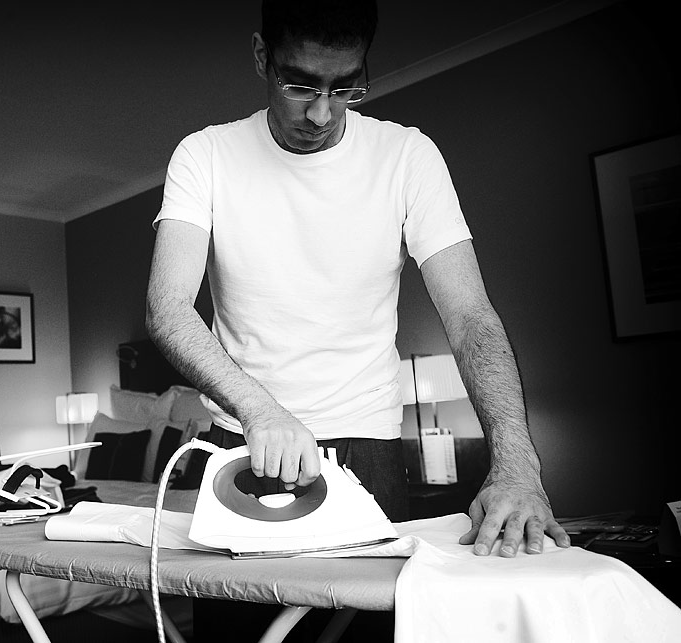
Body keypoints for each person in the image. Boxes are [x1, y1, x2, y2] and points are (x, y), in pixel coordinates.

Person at [146, 1, 568, 638]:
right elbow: (168, 308)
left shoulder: (407, 157)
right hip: (244, 441)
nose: (322, 111)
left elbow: (471, 318)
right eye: (301, 85)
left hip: (367, 452)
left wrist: (517, 463)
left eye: (345, 86)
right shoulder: (205, 156)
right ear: (262, 57)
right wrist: (261, 410)